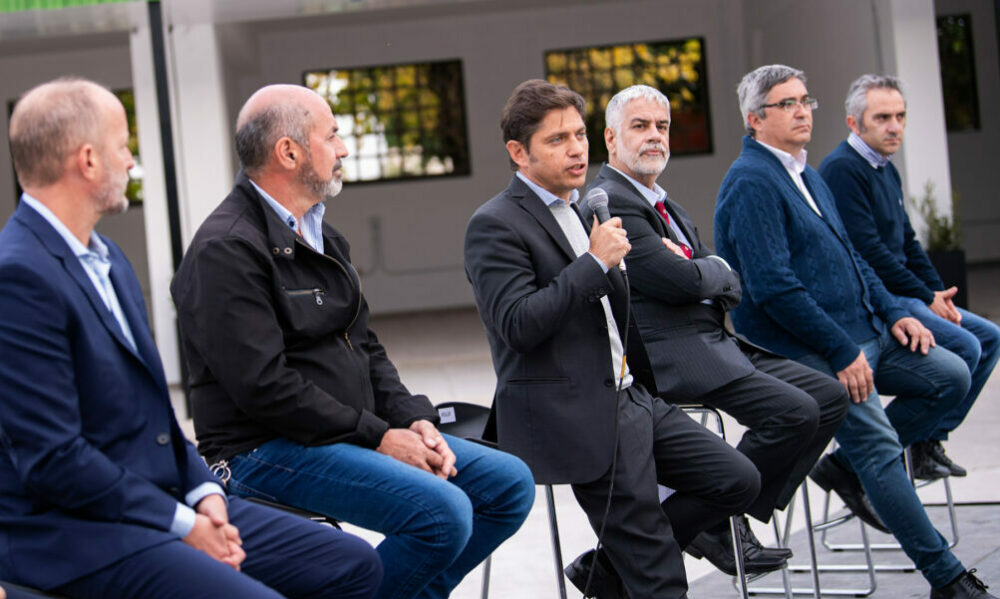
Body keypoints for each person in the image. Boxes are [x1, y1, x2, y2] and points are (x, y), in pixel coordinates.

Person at [0, 78, 381, 599]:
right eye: (123, 146)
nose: (131, 162)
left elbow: (153, 414)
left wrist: (204, 492)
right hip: (80, 534)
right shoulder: (18, 276)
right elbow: (53, 459)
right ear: (87, 161)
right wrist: (182, 523)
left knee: (352, 564)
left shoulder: (107, 259)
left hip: (162, 502)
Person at [170, 84, 534, 599]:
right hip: (261, 450)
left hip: (342, 433)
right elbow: (265, 388)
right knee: (442, 512)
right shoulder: (226, 250)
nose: (342, 148)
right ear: (289, 152)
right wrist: (380, 436)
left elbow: (364, 347)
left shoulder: (322, 236)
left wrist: (414, 419)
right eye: (333, 135)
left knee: (507, 485)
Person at [464, 79, 760, 599]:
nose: (577, 148)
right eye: (557, 140)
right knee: (662, 577)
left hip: (633, 397)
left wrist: (656, 262)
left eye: (579, 134)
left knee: (738, 480)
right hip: (574, 411)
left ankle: (611, 566)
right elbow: (518, 325)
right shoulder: (494, 224)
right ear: (518, 152)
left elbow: (608, 308)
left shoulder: (585, 210)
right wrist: (596, 263)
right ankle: (638, 559)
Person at [714, 64, 994, 599]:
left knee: (952, 373)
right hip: (809, 348)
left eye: (805, 100)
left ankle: (845, 468)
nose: (801, 111)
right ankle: (949, 578)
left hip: (862, 329)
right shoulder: (751, 181)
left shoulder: (805, 172)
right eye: (786, 104)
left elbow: (853, 257)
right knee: (881, 447)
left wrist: (894, 312)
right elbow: (773, 287)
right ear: (754, 120)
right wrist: (842, 350)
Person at [580, 85, 848, 576]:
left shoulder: (663, 202)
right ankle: (711, 522)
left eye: (662, 127)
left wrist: (706, 273)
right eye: (640, 126)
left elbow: (718, 278)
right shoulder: (612, 200)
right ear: (610, 136)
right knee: (796, 412)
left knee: (829, 397)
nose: (655, 137)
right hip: (675, 357)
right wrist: (708, 272)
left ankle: (720, 518)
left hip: (714, 341)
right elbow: (681, 278)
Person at [819, 74, 1000, 479]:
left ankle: (926, 441)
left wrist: (939, 292)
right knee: (967, 348)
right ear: (854, 123)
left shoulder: (885, 167)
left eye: (900, 116)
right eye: (883, 117)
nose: (895, 126)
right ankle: (853, 461)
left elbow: (908, 241)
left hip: (910, 294)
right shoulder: (843, 171)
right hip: (882, 298)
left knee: (989, 338)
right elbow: (870, 253)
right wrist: (924, 295)